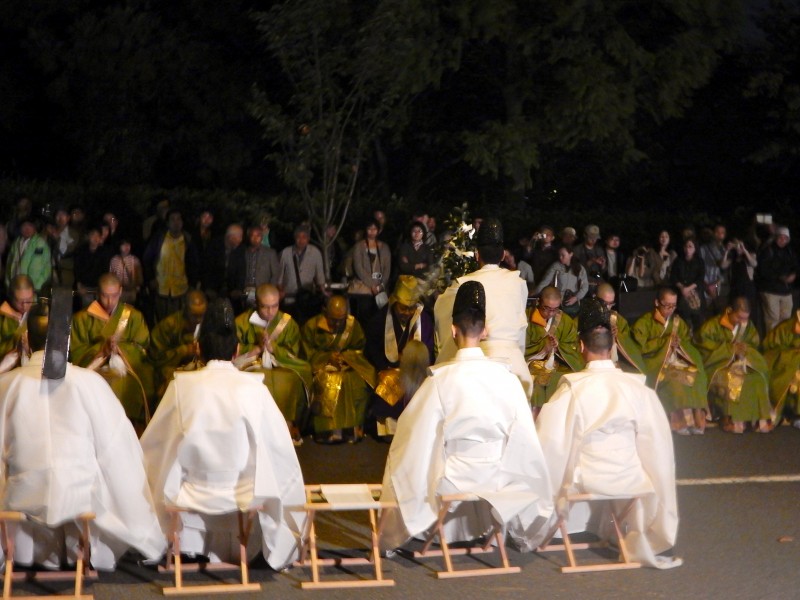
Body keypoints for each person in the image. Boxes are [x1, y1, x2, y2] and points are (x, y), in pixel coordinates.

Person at [379, 281, 553, 552]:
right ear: (485, 331)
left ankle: (419, 525)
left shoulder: (440, 380)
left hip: (455, 477)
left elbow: (414, 435)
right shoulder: (507, 379)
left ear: (452, 330)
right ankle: (498, 526)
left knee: (411, 447)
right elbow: (524, 436)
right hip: (498, 476)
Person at [140, 298, 306, 570]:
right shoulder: (255, 389)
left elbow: (154, 449)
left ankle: (185, 543)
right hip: (244, 497)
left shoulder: (182, 387)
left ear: (198, 348)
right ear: (237, 350)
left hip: (192, 496)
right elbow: (280, 452)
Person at [0, 301, 165, 570]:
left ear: (26, 340)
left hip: (20, 499)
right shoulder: (90, 383)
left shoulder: (6, 385)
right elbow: (118, 449)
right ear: (67, 341)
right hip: (79, 499)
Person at [536, 298, 682, 570]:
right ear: (613, 346)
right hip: (630, 477)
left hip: (589, 478)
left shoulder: (572, 390)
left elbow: (550, 444)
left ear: (580, 346)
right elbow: (657, 445)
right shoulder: (638, 388)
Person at [434, 218, 533, 398]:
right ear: (503, 255)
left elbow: (444, 318)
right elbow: (521, 327)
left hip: (478, 363)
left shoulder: (462, 286)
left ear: (477, 255)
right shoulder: (518, 283)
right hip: (515, 365)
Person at [70, 273, 155, 428]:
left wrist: (120, 350)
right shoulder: (82, 318)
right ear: (97, 293)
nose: (109, 301)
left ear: (121, 291)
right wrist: (101, 350)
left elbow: (142, 348)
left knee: (136, 378)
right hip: (94, 369)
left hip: (125, 370)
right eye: (104, 296)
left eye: (114, 296)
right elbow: (76, 352)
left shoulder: (134, 316)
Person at [234, 284, 312, 445]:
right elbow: (234, 349)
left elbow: (294, 352)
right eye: (265, 307)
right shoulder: (242, 322)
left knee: (289, 379)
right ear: (256, 303)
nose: (270, 312)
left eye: (275, 306)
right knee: (261, 379)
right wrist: (255, 349)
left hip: (280, 363)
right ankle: (257, 429)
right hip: (251, 364)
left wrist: (272, 348)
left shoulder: (287, 323)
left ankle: (288, 425)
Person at [365, 275, 434, 438]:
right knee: (389, 381)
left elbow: (429, 347)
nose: (407, 313)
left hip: (415, 369)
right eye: (403, 308)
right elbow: (372, 349)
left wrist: (412, 357)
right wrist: (386, 365)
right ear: (394, 303)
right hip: (389, 368)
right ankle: (390, 431)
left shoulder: (423, 319)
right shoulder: (380, 320)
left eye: (411, 308)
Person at [632, 286, 708, 434]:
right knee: (677, 381)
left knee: (696, 377)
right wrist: (665, 343)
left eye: (673, 306)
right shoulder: (644, 323)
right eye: (667, 305)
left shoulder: (678, 323)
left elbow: (688, 343)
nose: (670, 310)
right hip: (656, 363)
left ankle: (696, 422)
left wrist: (679, 344)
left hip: (677, 360)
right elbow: (639, 348)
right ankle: (679, 424)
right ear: (657, 303)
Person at [301, 295, 375, 443]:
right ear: (324, 312)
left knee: (354, 381)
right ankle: (327, 432)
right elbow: (306, 352)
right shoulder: (312, 326)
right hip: (321, 368)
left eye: (341, 320)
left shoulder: (352, 325)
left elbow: (359, 348)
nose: (337, 323)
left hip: (347, 365)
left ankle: (351, 430)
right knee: (329, 381)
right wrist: (327, 357)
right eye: (333, 319)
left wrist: (346, 358)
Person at [695, 297, 772, 434]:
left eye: (745, 318)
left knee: (757, 378)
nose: (743, 322)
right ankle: (731, 421)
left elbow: (753, 344)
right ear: (729, 311)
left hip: (742, 362)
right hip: (719, 365)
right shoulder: (712, 326)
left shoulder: (747, 326)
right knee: (734, 380)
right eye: (739, 317)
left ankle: (756, 420)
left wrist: (744, 350)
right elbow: (704, 350)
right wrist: (730, 350)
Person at [525, 286, 584, 412]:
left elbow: (573, 345)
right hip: (531, 364)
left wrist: (558, 347)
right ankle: (537, 416)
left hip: (558, 363)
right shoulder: (526, 318)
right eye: (547, 308)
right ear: (538, 302)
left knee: (571, 382)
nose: (551, 313)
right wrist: (543, 347)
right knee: (538, 384)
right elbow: (520, 347)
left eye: (555, 309)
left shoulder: (565, 321)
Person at [143, 208, 200, 322]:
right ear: (168, 222)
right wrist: (150, 278)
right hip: (161, 287)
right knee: (161, 322)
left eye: (178, 219)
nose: (176, 222)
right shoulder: (159, 238)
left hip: (181, 288)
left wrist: (193, 284)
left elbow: (194, 263)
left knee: (179, 321)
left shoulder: (188, 240)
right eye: (172, 219)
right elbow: (147, 258)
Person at [150, 290, 208, 397]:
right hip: (172, 370)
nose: (199, 320)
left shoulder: (208, 325)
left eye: (202, 315)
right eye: (194, 316)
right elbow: (156, 358)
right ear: (185, 309)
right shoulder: (169, 326)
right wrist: (184, 351)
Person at [279, 224, 328, 325]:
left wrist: (323, 290)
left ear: (308, 238)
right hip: (289, 295)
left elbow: (320, 274)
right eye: (298, 237)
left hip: (307, 297)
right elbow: (279, 274)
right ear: (294, 238)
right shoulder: (286, 252)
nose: (301, 240)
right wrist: (279, 290)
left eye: (304, 237)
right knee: (289, 324)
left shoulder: (315, 252)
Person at [349, 219, 392, 326]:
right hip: (363, 287)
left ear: (378, 230)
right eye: (369, 229)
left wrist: (380, 286)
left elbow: (387, 269)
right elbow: (358, 268)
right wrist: (372, 285)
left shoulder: (384, 247)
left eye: (374, 229)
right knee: (364, 313)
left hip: (379, 287)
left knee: (381, 315)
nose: (372, 231)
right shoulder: (359, 246)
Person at [595, 282, 646, 373]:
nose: (608, 307)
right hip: (594, 364)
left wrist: (618, 336)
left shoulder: (617, 319)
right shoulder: (584, 318)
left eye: (611, 304)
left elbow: (630, 343)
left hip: (614, 363)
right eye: (604, 303)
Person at [229, 224, 280, 311]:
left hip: (262, 292)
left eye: (258, 235)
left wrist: (269, 292)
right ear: (248, 236)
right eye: (252, 235)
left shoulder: (270, 253)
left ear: (262, 236)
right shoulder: (241, 252)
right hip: (243, 292)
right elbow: (233, 271)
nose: (255, 238)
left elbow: (275, 274)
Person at [763, 310, 800, 427]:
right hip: (783, 366)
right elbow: (770, 351)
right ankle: (796, 416)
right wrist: (795, 355)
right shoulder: (785, 328)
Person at [756, 226, 797, 332]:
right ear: (776, 237)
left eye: (785, 238)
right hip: (770, 290)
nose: (783, 240)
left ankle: (782, 343)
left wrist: (793, 275)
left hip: (786, 291)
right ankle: (771, 344)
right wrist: (780, 277)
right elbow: (763, 270)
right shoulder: (768, 250)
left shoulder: (789, 251)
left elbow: (795, 266)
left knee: (786, 319)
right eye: (780, 237)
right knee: (772, 320)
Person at [532, 244, 589, 318]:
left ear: (570, 254)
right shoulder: (556, 266)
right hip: (558, 300)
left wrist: (576, 297)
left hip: (573, 300)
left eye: (563, 255)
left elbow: (585, 287)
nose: (560, 257)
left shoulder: (579, 268)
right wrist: (535, 293)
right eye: (559, 255)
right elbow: (545, 281)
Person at [4, 217, 51, 295]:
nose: (27, 228)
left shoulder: (40, 243)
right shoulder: (16, 242)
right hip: (15, 286)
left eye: (30, 226)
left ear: (35, 228)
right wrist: (7, 283)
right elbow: (9, 263)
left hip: (31, 289)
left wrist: (36, 286)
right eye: (24, 226)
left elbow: (45, 268)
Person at [0, 275, 35, 374]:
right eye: (20, 301)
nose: (24, 306)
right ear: (11, 297)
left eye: (28, 300)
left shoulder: (39, 314)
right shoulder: (3, 317)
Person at [670, 236, 706, 331]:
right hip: (681, 293)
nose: (687, 249)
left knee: (698, 320)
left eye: (690, 246)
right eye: (686, 246)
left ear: (695, 248)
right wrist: (682, 288)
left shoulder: (700, 261)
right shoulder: (678, 260)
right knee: (682, 320)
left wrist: (689, 288)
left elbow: (700, 278)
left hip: (695, 294)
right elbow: (673, 277)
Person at [700, 223, 733, 313]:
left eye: (722, 233)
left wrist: (714, 285)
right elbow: (700, 269)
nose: (720, 235)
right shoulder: (704, 249)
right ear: (713, 233)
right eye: (717, 232)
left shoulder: (726, 251)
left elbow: (724, 272)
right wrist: (707, 286)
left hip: (720, 289)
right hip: (706, 288)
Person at [109, 238, 144, 306]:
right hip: (118, 292)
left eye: (128, 244)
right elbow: (111, 276)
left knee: (128, 312)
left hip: (131, 292)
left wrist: (137, 287)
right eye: (123, 245)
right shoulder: (114, 260)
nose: (126, 247)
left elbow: (139, 276)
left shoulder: (135, 260)